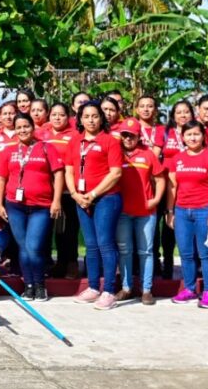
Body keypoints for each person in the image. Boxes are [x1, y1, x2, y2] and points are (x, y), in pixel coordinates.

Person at [0, 113, 63, 301]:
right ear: (14, 130)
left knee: (33, 246)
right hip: (15, 205)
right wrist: (0, 203)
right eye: (19, 127)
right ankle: (29, 285)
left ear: (33, 128)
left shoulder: (46, 148)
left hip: (41, 206)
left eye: (26, 126)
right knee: (23, 247)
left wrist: (56, 201)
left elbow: (58, 174)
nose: (23, 130)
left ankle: (40, 284)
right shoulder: (8, 151)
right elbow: (1, 178)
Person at [65, 101, 123, 310]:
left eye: (95, 116)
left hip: (106, 198)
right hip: (81, 199)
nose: (91, 120)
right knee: (90, 245)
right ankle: (92, 287)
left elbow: (115, 173)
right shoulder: (75, 141)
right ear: (80, 119)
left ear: (102, 118)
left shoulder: (110, 141)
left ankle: (108, 290)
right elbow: (68, 170)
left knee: (105, 243)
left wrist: (93, 193)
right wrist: (74, 194)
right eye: (86, 116)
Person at [166, 121, 208, 309]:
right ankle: (190, 289)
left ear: (203, 136)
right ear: (182, 137)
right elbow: (172, 187)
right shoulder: (177, 159)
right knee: (185, 253)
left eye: (196, 134)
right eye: (189, 134)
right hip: (182, 211)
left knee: (206, 253)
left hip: (204, 210)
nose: (192, 138)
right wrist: (170, 212)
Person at [115, 120, 166, 305]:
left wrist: (157, 199)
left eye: (132, 135)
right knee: (125, 251)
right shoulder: (116, 153)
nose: (128, 138)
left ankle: (146, 290)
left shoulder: (148, 154)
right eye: (124, 135)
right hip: (122, 212)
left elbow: (160, 179)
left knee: (146, 251)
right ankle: (126, 288)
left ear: (139, 136)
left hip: (145, 211)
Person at [157, 99, 195, 279]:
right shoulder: (165, 133)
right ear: (173, 115)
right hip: (166, 185)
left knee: (189, 227)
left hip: (188, 185)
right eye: (178, 112)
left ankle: (195, 265)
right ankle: (167, 265)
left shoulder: (195, 133)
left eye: (186, 112)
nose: (182, 115)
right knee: (167, 226)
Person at [43, 102, 80, 279]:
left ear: (68, 116)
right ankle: (57, 263)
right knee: (52, 229)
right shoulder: (42, 133)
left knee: (69, 229)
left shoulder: (75, 135)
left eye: (61, 114)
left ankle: (71, 262)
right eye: (54, 114)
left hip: (67, 190)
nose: (57, 118)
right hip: (45, 191)